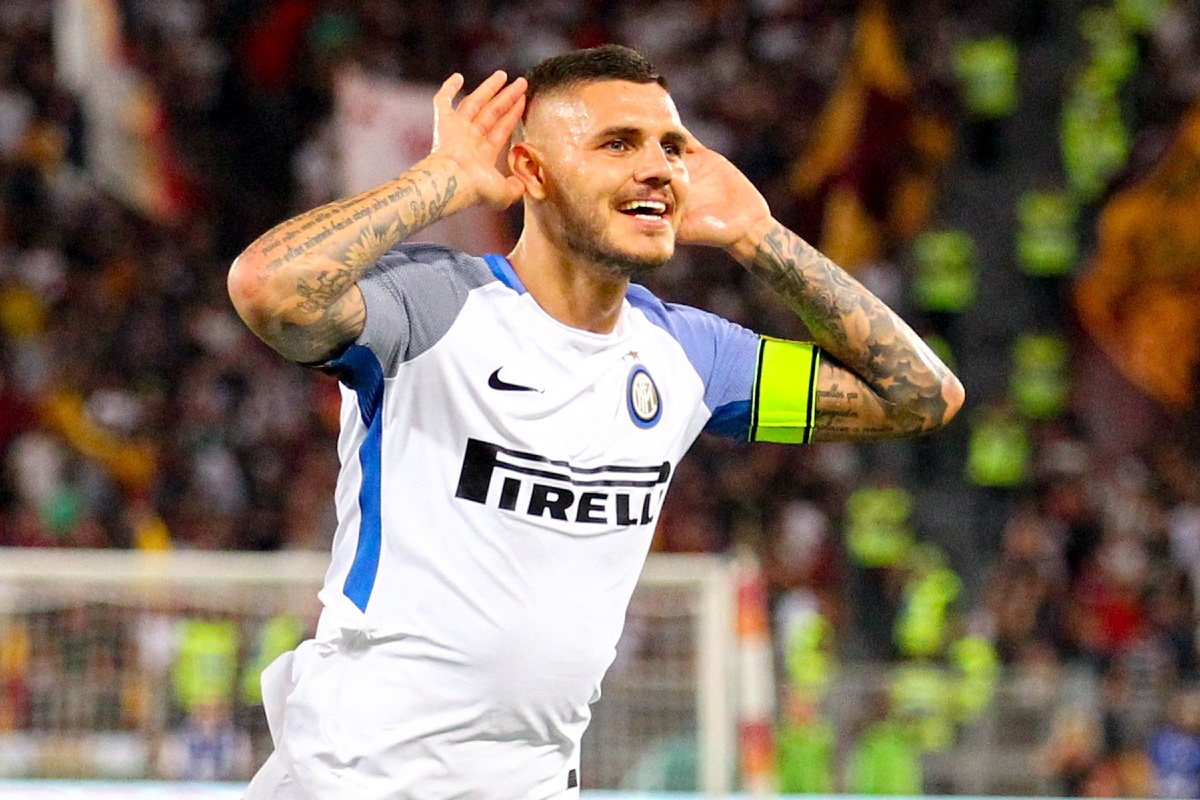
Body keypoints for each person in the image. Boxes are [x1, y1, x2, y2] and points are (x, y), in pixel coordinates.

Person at [227, 44, 963, 800]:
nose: (658, 168)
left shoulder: (689, 356)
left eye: (671, 147)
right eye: (618, 144)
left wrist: (758, 235)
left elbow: (920, 398)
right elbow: (266, 288)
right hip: (350, 781)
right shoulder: (435, 307)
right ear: (531, 172)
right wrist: (439, 180)